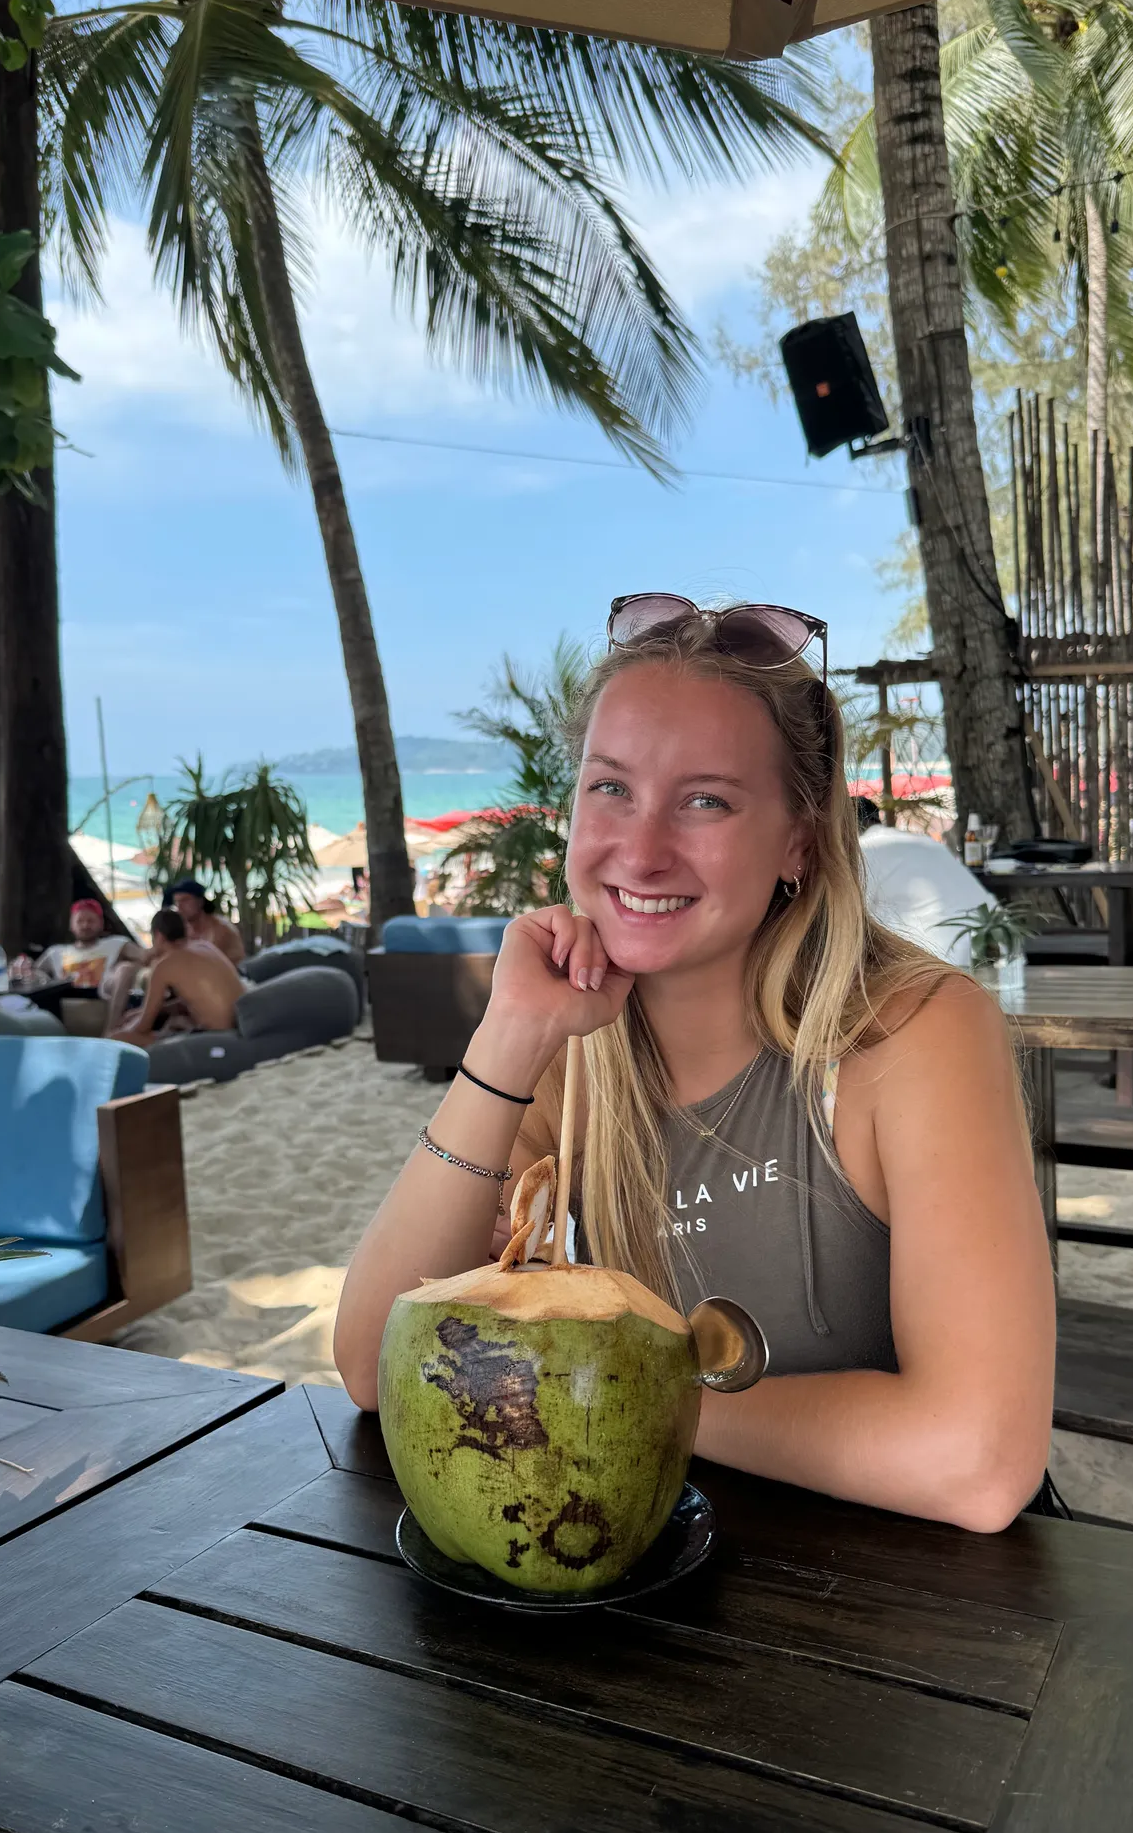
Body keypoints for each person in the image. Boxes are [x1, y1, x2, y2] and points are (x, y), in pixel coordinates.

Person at [334, 597, 1055, 1534]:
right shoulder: (572, 1054)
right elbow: (370, 1364)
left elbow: (979, 1461)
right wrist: (508, 1035)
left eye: (705, 799)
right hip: (669, 1583)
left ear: (798, 838)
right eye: (610, 788)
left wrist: (631, 1402)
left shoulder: (911, 1032)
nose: (640, 848)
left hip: (920, 1608)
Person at [855, 796, 997, 969]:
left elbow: (854, 919)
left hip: (939, 960)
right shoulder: (924, 841)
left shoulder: (866, 850)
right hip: (996, 943)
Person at [111, 907, 246, 1048]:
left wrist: (124, 1027)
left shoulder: (164, 965)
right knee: (174, 1020)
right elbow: (194, 999)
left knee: (115, 1038)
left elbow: (142, 1027)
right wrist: (141, 1013)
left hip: (215, 1038)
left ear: (158, 936)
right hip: (238, 1024)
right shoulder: (204, 946)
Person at [28, 898, 146, 1018]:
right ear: (71, 924)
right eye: (80, 921)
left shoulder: (117, 944)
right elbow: (31, 973)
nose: (85, 925)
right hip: (64, 1005)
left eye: (90, 921)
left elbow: (145, 957)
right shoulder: (55, 952)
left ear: (101, 923)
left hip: (101, 1000)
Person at [167, 879, 246, 968]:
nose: (179, 906)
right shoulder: (185, 929)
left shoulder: (220, 928)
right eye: (176, 902)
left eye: (185, 900)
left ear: (200, 902)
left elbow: (204, 963)